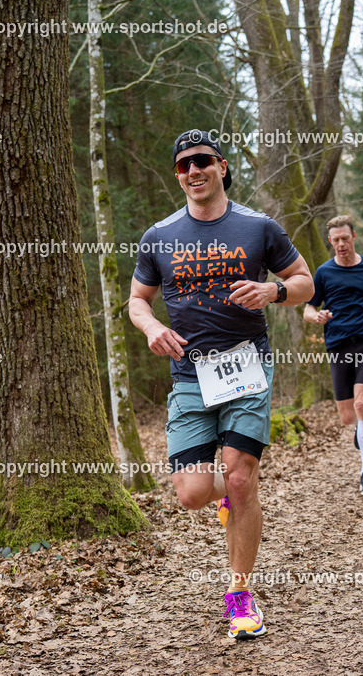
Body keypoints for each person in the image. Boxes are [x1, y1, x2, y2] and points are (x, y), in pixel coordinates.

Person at [128, 129, 313, 640]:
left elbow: (305, 282)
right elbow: (137, 300)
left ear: (222, 166)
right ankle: (233, 499)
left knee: (238, 478)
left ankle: (240, 593)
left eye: (203, 160)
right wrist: (152, 327)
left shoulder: (258, 227)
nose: (194, 171)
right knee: (190, 493)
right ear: (178, 175)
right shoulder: (159, 236)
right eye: (184, 164)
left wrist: (274, 291)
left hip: (246, 365)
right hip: (189, 372)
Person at [303, 216, 363, 495]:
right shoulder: (323, 272)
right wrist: (315, 316)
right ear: (330, 242)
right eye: (336, 239)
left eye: (345, 238)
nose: (341, 243)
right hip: (338, 343)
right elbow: (307, 308)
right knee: (347, 417)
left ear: (354, 236)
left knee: (361, 402)